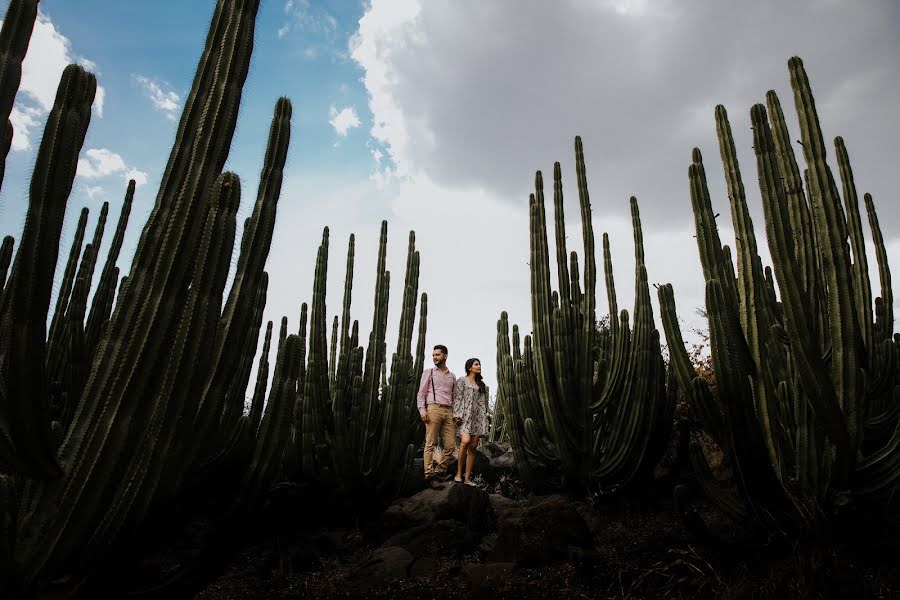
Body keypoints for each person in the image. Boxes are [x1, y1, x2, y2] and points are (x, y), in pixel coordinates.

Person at [416, 344, 457, 481]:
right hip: (433, 409)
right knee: (430, 443)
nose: (434, 357)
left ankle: (439, 471)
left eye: (437, 355)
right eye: (433, 355)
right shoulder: (429, 372)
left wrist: (456, 414)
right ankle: (428, 475)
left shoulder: (452, 376)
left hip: (449, 411)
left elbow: (455, 397)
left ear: (445, 356)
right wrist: (422, 410)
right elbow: (421, 394)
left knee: (450, 445)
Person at [453, 358, 490, 486]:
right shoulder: (462, 381)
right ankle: (458, 474)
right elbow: (458, 397)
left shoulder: (481, 385)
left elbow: (482, 404)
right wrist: (457, 414)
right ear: (469, 367)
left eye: (479, 364)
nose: (479, 366)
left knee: (473, 447)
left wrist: (484, 421)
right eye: (476, 364)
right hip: (464, 416)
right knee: (465, 442)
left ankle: (467, 478)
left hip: (477, 417)